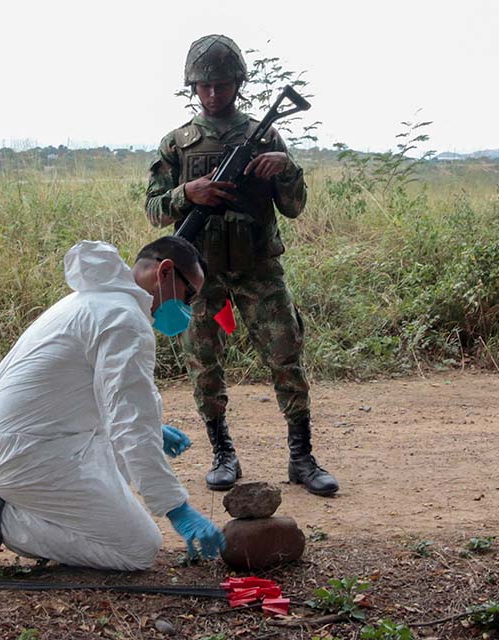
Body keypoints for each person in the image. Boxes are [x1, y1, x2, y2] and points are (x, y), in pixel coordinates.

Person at [0, 237, 225, 574]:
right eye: (189, 295)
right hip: (27, 454)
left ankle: (18, 500)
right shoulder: (124, 321)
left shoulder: (95, 301)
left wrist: (153, 429)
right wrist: (177, 509)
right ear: (165, 272)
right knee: (139, 548)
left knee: (123, 453)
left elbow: (102, 396)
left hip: (23, 441)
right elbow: (128, 424)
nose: (188, 308)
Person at [144, 34, 339, 497]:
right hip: (199, 272)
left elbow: (294, 208)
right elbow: (154, 210)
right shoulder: (177, 143)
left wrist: (286, 168)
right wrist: (186, 194)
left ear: (238, 84)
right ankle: (222, 453)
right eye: (205, 86)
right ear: (193, 87)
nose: (214, 93)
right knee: (203, 361)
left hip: (257, 267)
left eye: (223, 84)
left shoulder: (266, 136)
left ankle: (302, 457)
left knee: (285, 354)